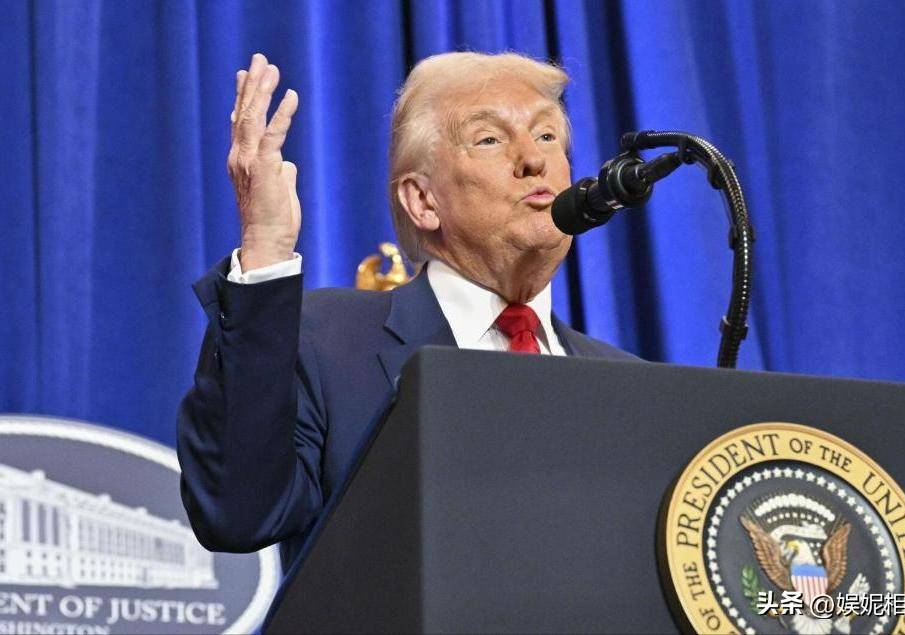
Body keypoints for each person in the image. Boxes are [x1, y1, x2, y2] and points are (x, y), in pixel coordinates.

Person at [177, 51, 637, 570]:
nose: (534, 159)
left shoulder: (628, 385)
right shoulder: (324, 344)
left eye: (548, 135)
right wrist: (266, 244)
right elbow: (238, 514)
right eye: (489, 139)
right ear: (423, 201)